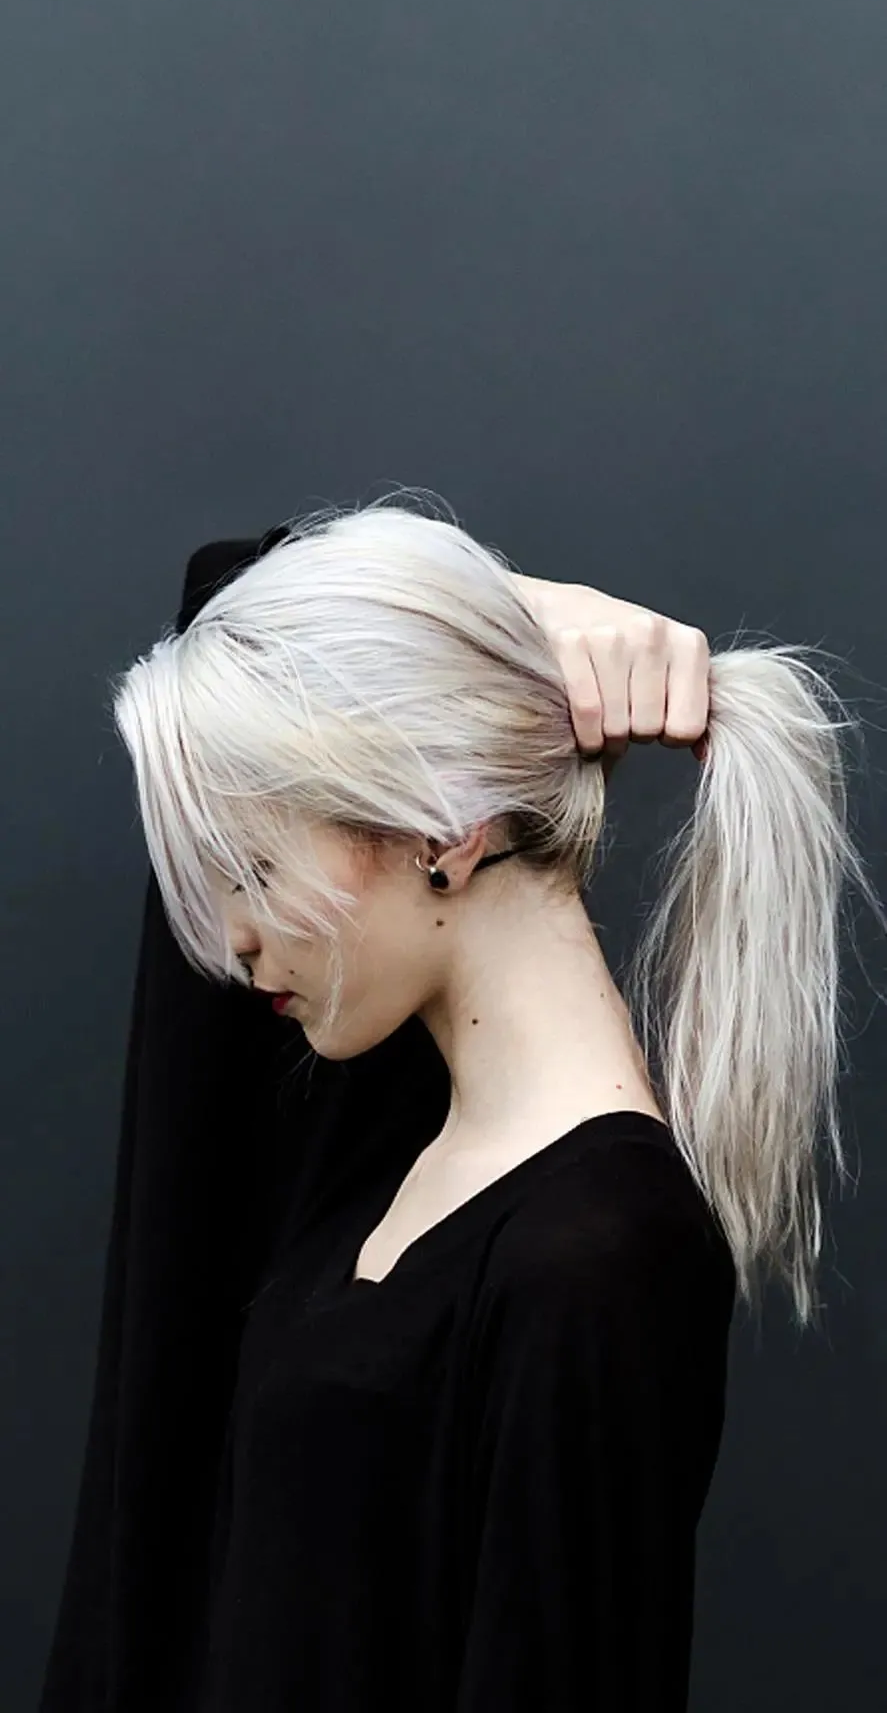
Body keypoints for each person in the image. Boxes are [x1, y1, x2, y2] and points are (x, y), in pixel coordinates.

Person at [39, 492, 880, 1711]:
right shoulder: (382, 1143)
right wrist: (509, 626)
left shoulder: (594, 1255)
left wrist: (472, 665)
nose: (230, 941)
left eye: (255, 869)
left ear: (443, 826)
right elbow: (223, 597)